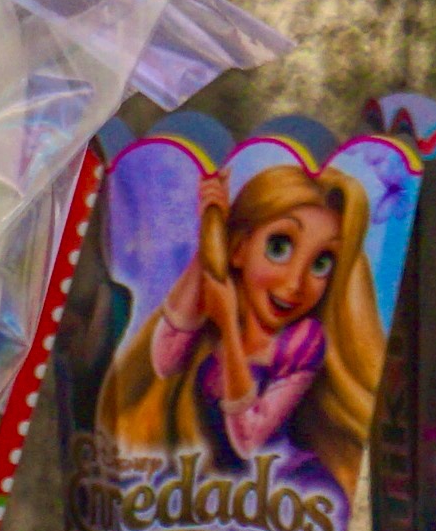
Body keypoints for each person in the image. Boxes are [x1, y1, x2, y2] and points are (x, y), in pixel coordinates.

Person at [97, 152, 390, 486]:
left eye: (321, 264)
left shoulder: (303, 340)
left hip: (288, 490)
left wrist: (228, 329)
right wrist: (212, 236)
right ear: (239, 250)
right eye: (279, 247)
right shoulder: (219, 319)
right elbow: (165, 360)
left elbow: (248, 439)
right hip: (221, 492)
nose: (295, 283)